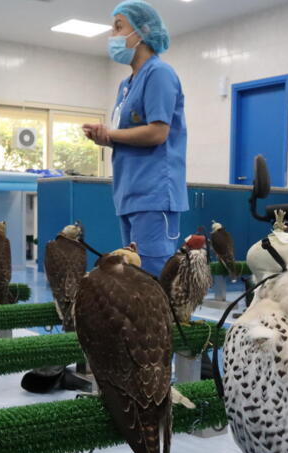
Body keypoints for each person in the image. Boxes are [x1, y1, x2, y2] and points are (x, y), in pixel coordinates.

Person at [83, 1, 188, 277]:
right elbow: (128, 134)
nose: (112, 35)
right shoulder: (126, 85)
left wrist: (111, 134)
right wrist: (105, 137)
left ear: (143, 31)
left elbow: (158, 132)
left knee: (152, 278)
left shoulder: (159, 73)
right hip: (129, 194)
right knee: (132, 276)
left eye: (119, 27)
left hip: (154, 195)